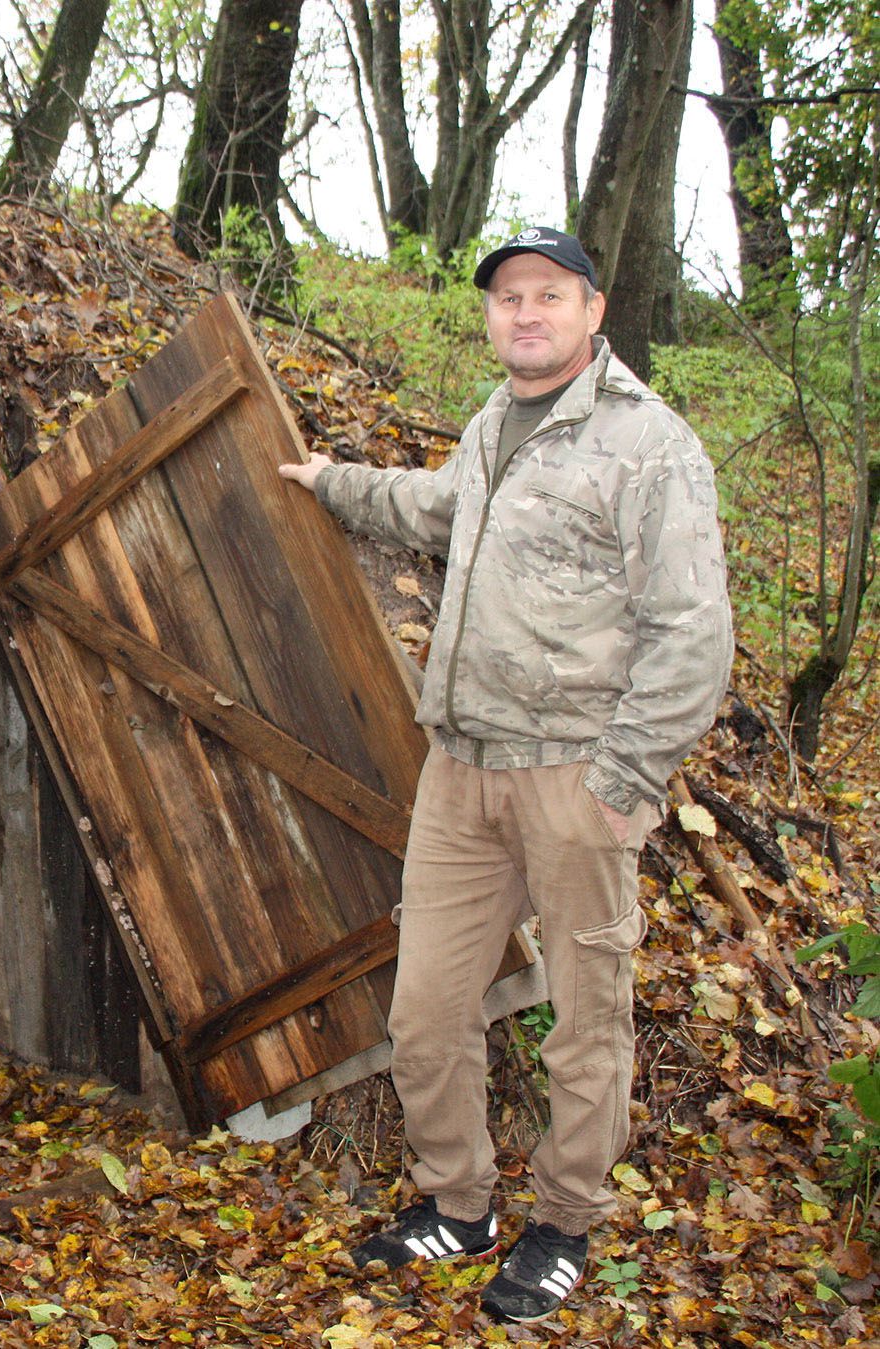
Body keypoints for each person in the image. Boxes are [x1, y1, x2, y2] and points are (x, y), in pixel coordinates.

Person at [279, 226, 733, 1324]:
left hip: (577, 774)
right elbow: (439, 513)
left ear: (593, 308)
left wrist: (623, 779)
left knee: (587, 1017)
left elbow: (693, 632)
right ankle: (462, 1203)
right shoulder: (496, 422)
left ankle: (564, 1222)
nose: (526, 313)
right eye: (508, 298)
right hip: (463, 767)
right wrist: (332, 481)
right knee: (427, 1006)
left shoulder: (649, 445)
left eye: (549, 295)